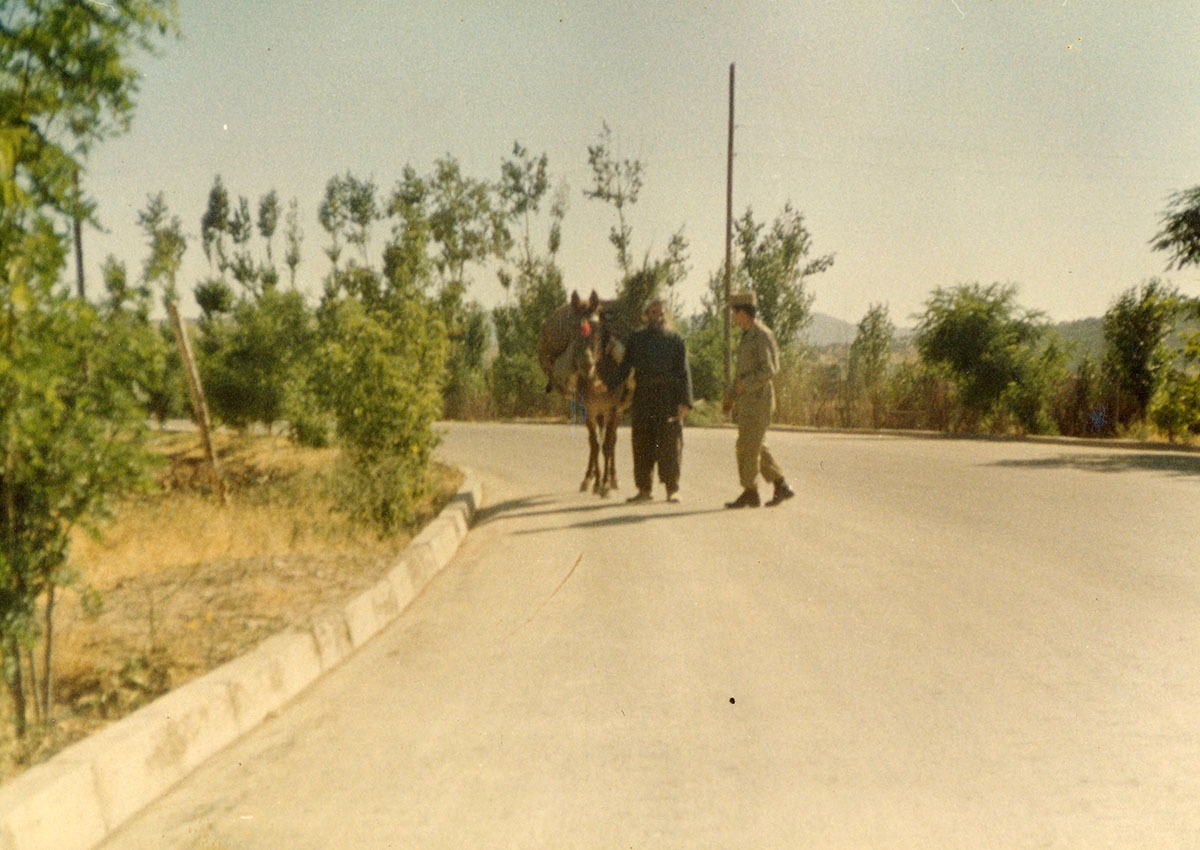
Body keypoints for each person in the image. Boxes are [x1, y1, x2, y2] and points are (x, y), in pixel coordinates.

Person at [603, 298, 693, 503]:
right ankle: (644, 490)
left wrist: (686, 402)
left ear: (665, 315)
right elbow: (625, 368)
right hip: (643, 396)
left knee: (670, 445)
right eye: (653, 312)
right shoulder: (636, 339)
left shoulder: (675, 340)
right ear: (646, 315)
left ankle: (672, 489)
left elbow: (684, 372)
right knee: (642, 444)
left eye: (661, 313)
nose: (658, 317)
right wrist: (608, 385)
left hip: (668, 398)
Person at [723, 291, 795, 508]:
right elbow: (741, 373)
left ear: (743, 313)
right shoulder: (747, 335)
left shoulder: (761, 335)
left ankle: (750, 491)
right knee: (755, 446)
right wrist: (731, 396)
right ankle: (780, 485)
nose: (733, 317)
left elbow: (770, 369)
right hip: (747, 402)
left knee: (748, 447)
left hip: (759, 401)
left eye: (734, 312)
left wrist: (746, 385)